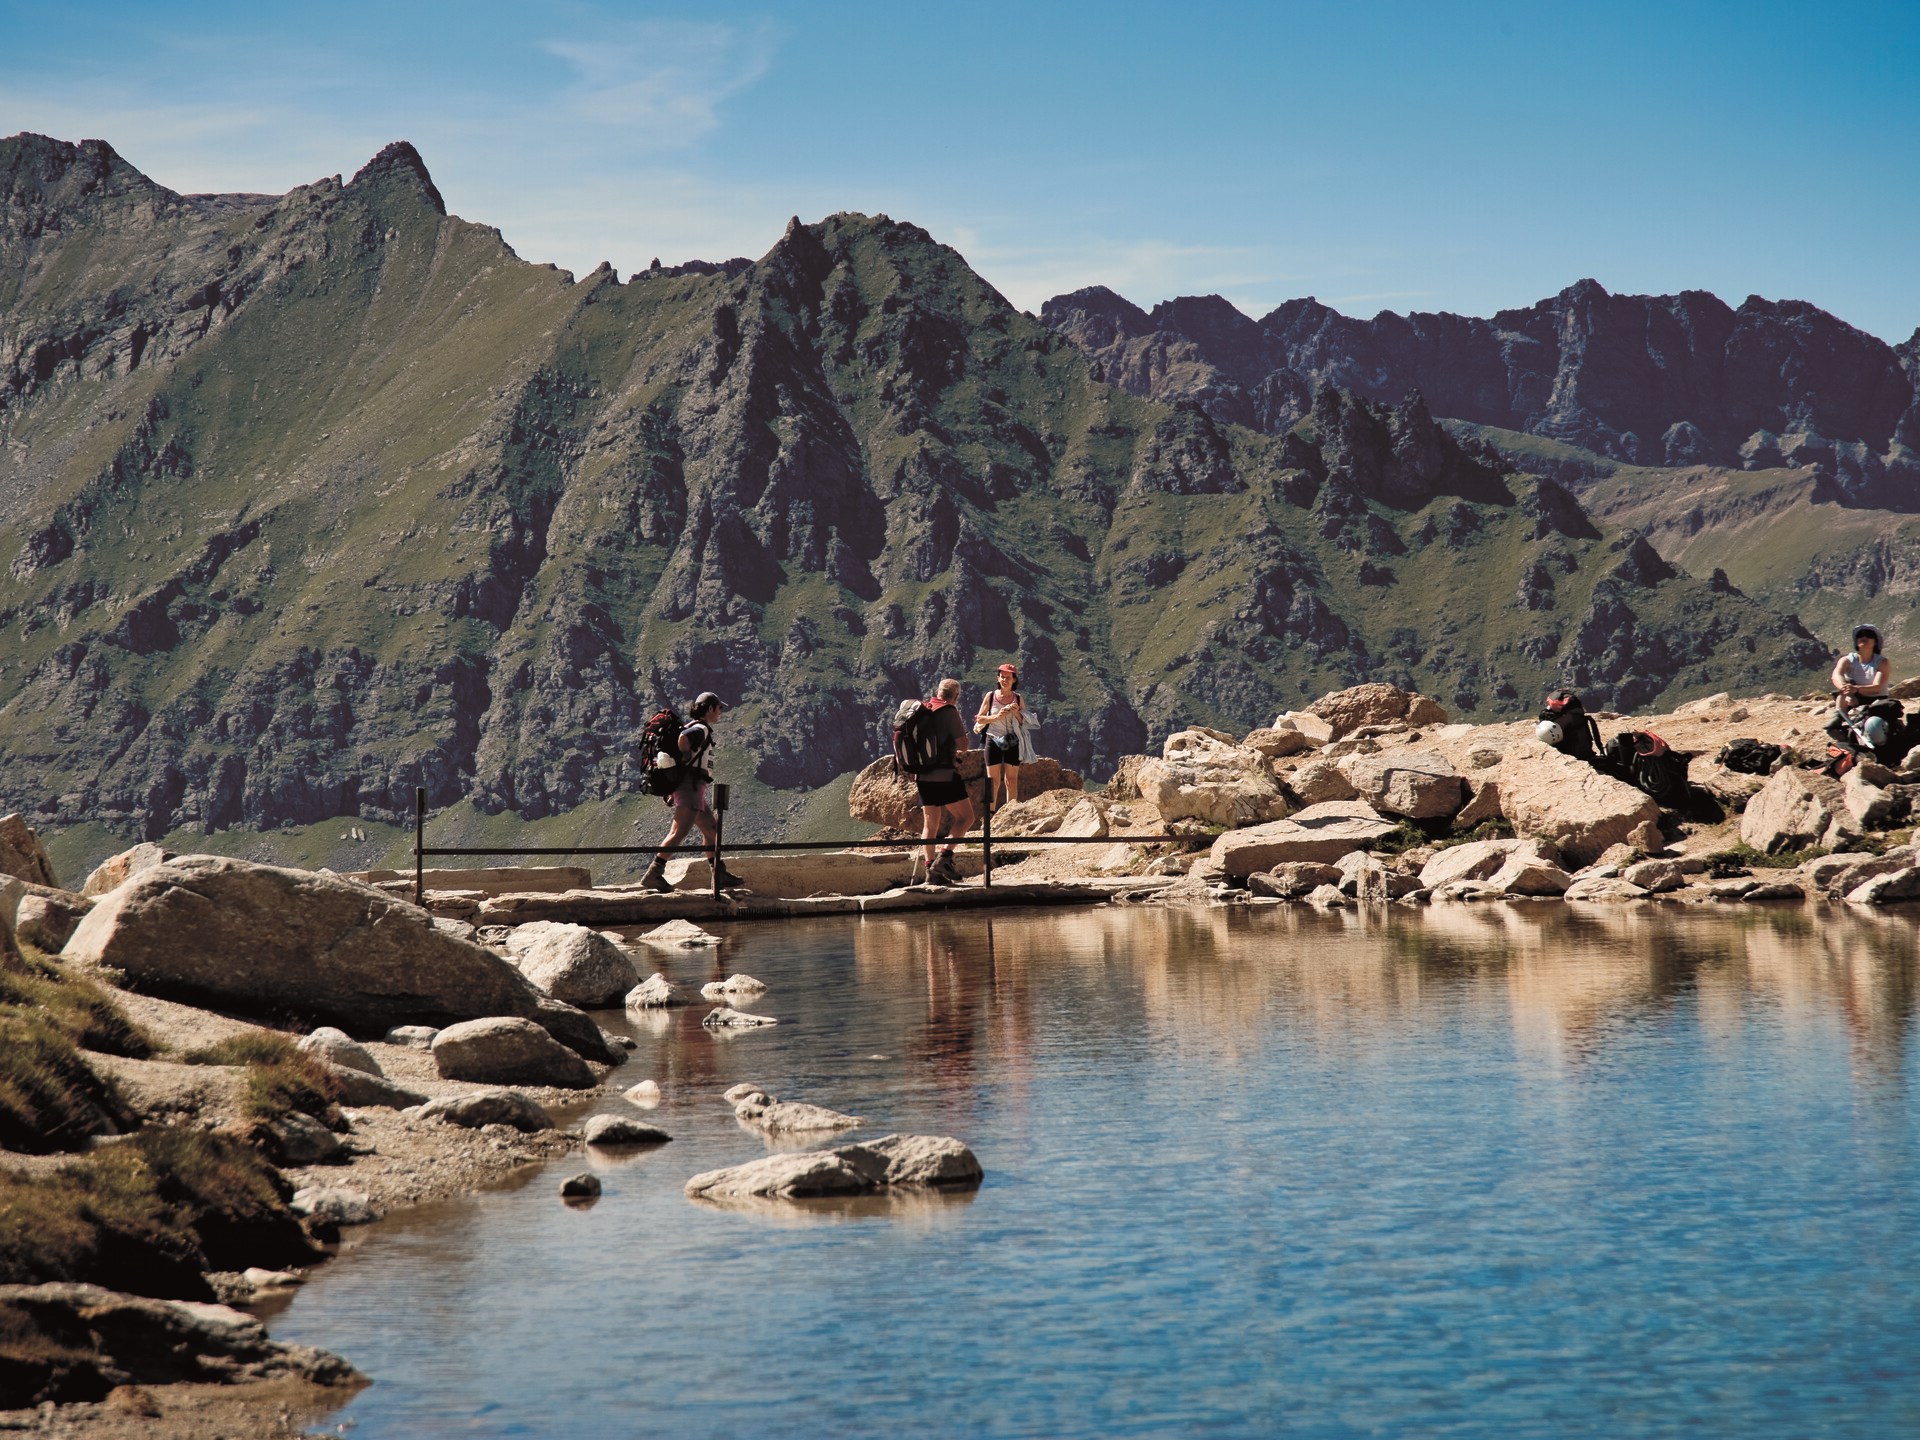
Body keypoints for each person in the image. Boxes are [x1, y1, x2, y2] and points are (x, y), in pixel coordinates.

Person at [639, 692, 743, 892]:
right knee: (679, 832)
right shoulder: (700, 728)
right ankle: (653, 874)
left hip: (694, 788)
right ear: (710, 708)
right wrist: (685, 758)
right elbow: (684, 738)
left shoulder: (695, 726)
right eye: (719, 708)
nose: (720, 712)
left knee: (711, 830)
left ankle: (719, 874)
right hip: (691, 787)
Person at [916, 678, 974, 886]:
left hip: (922, 775)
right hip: (945, 774)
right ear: (955, 696)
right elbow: (963, 745)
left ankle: (930, 872)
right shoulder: (949, 712)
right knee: (966, 817)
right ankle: (944, 858)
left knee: (930, 824)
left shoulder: (922, 709)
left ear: (938, 692)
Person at [974, 663, 1026, 811]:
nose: (1005, 680)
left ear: (1014, 680)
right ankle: (989, 816)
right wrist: (997, 716)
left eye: (1008, 677)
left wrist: (1016, 712)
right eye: (1002, 677)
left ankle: (1011, 814)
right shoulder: (990, 696)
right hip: (993, 739)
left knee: (1011, 780)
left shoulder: (1018, 698)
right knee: (993, 781)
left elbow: (1024, 722)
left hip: (1013, 741)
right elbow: (980, 718)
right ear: (998, 678)